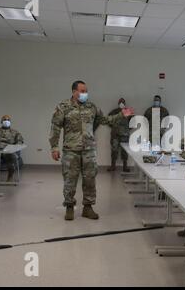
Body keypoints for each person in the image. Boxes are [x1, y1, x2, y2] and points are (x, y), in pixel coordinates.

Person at [49, 80, 134, 221]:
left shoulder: (92, 107)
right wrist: (54, 147)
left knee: (90, 179)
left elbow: (105, 120)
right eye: (82, 91)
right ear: (74, 92)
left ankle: (88, 208)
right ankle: (69, 207)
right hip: (71, 150)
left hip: (89, 150)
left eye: (86, 91)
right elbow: (55, 127)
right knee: (70, 180)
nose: (85, 94)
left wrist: (121, 115)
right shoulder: (63, 107)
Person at [0, 115, 24, 182]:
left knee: (12, 157)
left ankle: (10, 176)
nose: (6, 121)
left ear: (10, 122)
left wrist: (15, 147)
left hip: (8, 151)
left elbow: (20, 142)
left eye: (8, 120)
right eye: (4, 120)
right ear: (1, 121)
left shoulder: (15, 132)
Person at [107, 97, 131, 172]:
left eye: (123, 102)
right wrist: (114, 128)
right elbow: (108, 120)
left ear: (125, 103)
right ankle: (113, 166)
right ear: (118, 103)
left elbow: (133, 122)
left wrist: (126, 129)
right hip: (115, 135)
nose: (121, 104)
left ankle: (125, 166)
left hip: (125, 135)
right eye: (120, 102)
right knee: (114, 150)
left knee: (125, 151)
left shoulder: (128, 112)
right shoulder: (113, 112)